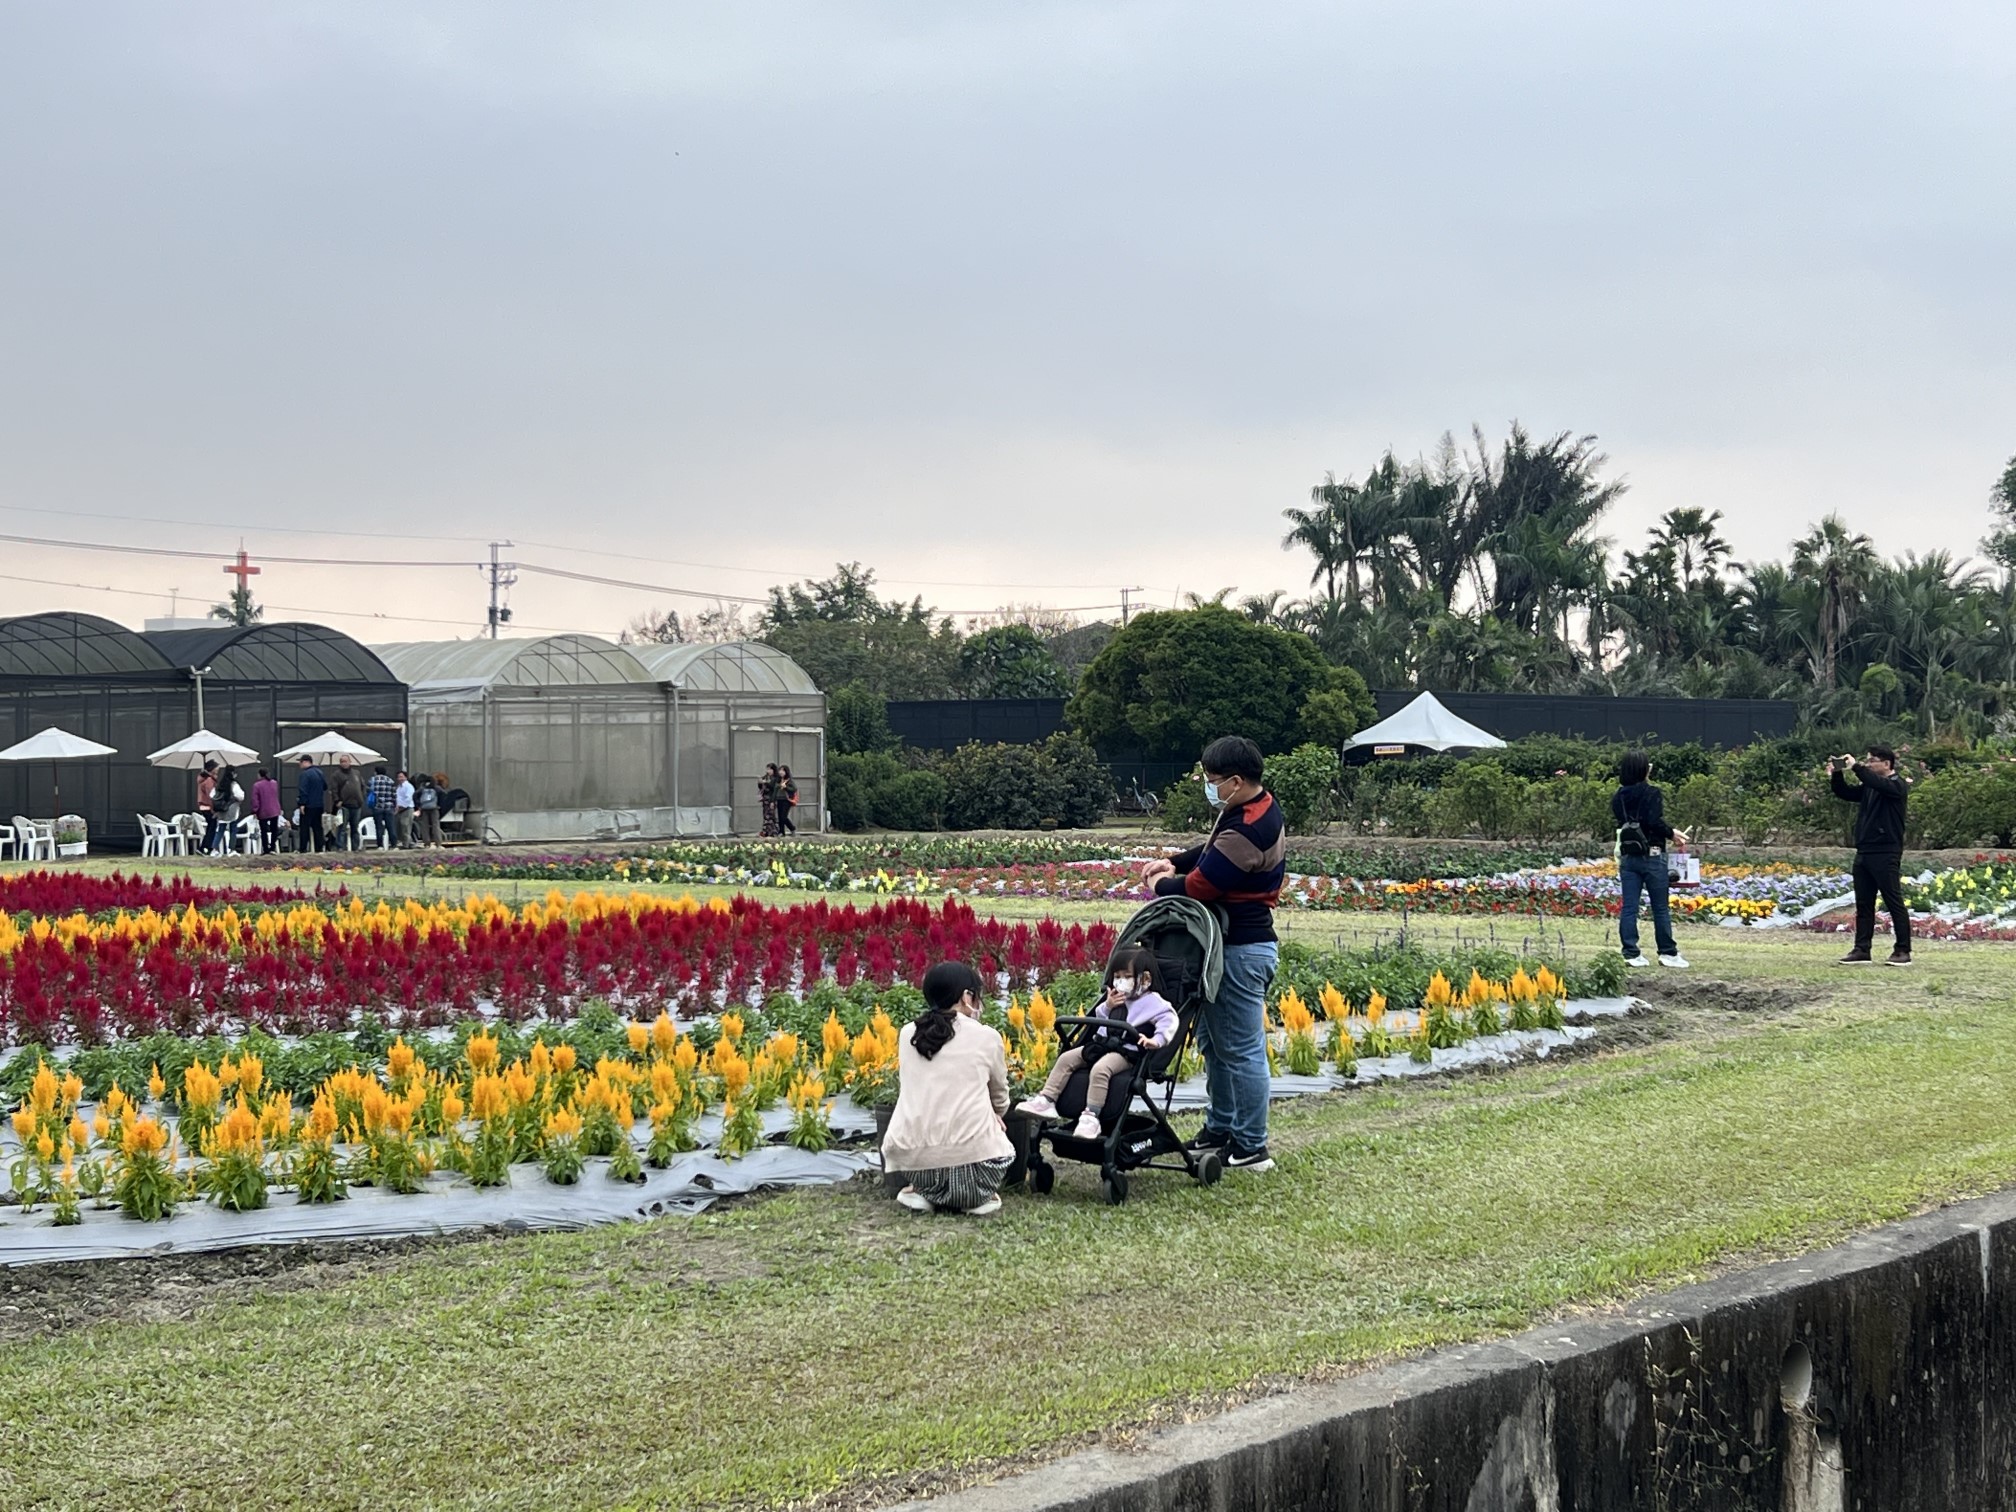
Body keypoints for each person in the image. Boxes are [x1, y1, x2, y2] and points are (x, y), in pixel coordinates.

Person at [1141, 735, 1282, 1174]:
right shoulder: (1249, 807)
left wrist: (1160, 885)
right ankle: (1220, 1128)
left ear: (1236, 781)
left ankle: (1251, 1145)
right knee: (1216, 1045)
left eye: (1212, 779)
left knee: (1240, 1050)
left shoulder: (1250, 827)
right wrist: (1174, 861)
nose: (1208, 785)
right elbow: (1211, 854)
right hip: (1225, 947)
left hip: (1241, 949)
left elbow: (1203, 885)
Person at [880, 962, 1014, 1216]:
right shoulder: (987, 1036)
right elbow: (1000, 1097)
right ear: (966, 997)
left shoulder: (908, 1034)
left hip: (916, 1166)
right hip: (978, 1171)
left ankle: (921, 1193)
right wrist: (995, 1114)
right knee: (1001, 1141)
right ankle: (976, 1199)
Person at [1016, 947, 1178, 1139]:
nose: (1120, 981)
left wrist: (1156, 1040)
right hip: (1100, 1045)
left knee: (1100, 1069)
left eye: (1127, 976)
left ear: (1145, 979)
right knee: (1066, 1058)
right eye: (1117, 976)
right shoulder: (1115, 997)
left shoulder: (1153, 1002)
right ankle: (1047, 1099)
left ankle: (1091, 1117)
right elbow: (1100, 1017)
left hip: (1125, 1052)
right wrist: (1108, 1005)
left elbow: (1169, 1020)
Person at [1831, 745, 1911, 965]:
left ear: (1886, 763)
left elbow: (1879, 783)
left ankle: (1902, 950)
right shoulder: (1870, 787)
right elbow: (1845, 793)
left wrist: (1856, 767)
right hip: (1865, 850)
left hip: (1886, 851)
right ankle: (1861, 949)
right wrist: (1837, 773)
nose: (1868, 764)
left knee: (1893, 901)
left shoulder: (1896, 785)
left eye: (1872, 760)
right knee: (1864, 904)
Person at [1613, 751, 1690, 970]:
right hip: (1653, 855)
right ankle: (1667, 952)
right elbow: (1654, 821)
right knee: (1660, 907)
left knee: (1629, 907)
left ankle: (1630, 952)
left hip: (1628, 856)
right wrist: (1672, 833)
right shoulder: (1652, 793)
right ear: (1643, 769)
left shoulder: (1619, 796)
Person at [295, 756, 328, 853]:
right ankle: (319, 847)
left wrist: (302, 803)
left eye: (300, 762)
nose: (299, 764)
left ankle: (303, 848)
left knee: (304, 827)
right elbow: (325, 786)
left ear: (306, 762)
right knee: (317, 827)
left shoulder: (305, 774)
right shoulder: (320, 773)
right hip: (319, 804)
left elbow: (303, 790)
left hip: (308, 805)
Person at [210, 765, 243, 856]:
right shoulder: (234, 784)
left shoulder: (219, 785)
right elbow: (240, 796)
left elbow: (212, 795)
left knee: (220, 829)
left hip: (221, 810)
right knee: (233, 829)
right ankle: (232, 849)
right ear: (233, 773)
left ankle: (214, 849)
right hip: (232, 809)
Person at [335, 759, 365, 852]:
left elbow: (362, 786)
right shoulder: (337, 775)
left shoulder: (356, 773)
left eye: (346, 761)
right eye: (342, 762)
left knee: (355, 827)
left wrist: (361, 798)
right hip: (344, 805)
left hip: (356, 804)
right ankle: (340, 846)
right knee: (342, 827)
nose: (344, 763)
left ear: (350, 762)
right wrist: (337, 800)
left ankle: (355, 847)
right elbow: (334, 788)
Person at [250, 768, 282, 855]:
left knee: (264, 830)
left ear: (259, 775)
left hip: (263, 810)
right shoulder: (274, 783)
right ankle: (273, 847)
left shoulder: (257, 785)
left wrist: (255, 810)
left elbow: (255, 799)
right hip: (275, 809)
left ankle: (266, 849)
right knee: (274, 829)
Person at [366, 764, 397, 848]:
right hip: (389, 807)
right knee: (391, 826)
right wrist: (394, 805)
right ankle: (394, 844)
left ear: (376, 772)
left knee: (378, 827)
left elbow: (368, 791)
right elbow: (394, 795)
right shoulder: (390, 781)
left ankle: (380, 845)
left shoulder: (372, 780)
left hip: (377, 806)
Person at [196, 761, 220, 853]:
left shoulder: (203, 779)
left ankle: (205, 847)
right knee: (212, 827)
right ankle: (206, 847)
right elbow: (211, 795)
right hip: (208, 807)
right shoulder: (209, 780)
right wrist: (214, 808)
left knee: (211, 826)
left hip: (203, 806)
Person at [415, 773, 443, 848]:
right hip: (434, 808)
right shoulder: (436, 788)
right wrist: (439, 804)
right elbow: (443, 794)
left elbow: (415, 795)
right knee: (435, 826)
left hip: (424, 808)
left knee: (425, 826)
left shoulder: (422, 788)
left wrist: (418, 805)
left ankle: (427, 843)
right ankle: (438, 843)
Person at [394, 769, 416, 849]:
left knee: (405, 827)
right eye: (398, 777)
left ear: (406, 777)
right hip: (400, 809)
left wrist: (401, 807)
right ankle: (409, 843)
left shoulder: (408, 786)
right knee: (401, 827)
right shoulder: (398, 787)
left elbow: (408, 799)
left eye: (401, 777)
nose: (400, 778)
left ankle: (406, 845)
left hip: (407, 809)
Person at [758, 763, 780, 838]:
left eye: (770, 769)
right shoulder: (765, 777)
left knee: (770, 815)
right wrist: (760, 783)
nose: (768, 771)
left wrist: (772, 801)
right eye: (767, 769)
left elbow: (773, 788)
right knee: (766, 815)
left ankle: (773, 831)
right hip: (765, 799)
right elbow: (761, 787)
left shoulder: (776, 778)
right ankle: (767, 831)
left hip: (771, 798)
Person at [776, 765, 798, 835]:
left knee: (784, 816)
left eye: (783, 770)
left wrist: (786, 787)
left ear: (786, 772)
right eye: (780, 770)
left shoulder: (789, 780)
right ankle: (781, 831)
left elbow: (794, 789)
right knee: (780, 816)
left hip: (786, 800)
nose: (781, 772)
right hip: (779, 799)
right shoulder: (778, 780)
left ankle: (792, 828)